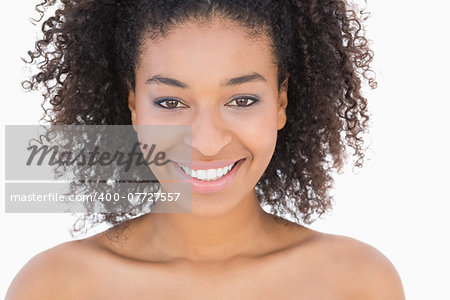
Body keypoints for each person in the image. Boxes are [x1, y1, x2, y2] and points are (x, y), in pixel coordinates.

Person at [6, 0, 405, 298]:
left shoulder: (357, 282)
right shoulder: (54, 286)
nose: (208, 142)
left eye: (242, 100)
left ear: (281, 101)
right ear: (132, 104)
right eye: (171, 103)